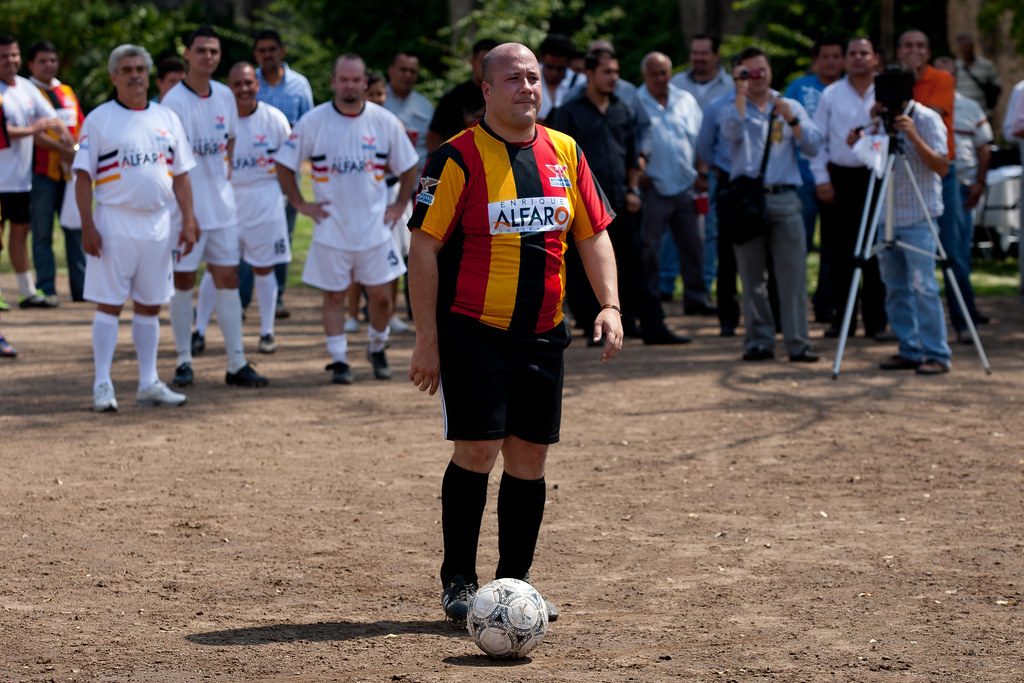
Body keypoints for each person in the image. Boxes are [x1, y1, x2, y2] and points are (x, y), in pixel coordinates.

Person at [406, 42, 623, 623]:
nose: (527, 87)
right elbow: (423, 249)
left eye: (532, 78)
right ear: (485, 90)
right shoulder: (455, 158)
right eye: (512, 79)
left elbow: (592, 234)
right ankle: (458, 580)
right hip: (474, 331)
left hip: (544, 333)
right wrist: (426, 339)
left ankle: (514, 585)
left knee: (529, 459)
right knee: (477, 450)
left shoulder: (566, 151)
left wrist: (610, 304)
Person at [275, 53, 418, 384]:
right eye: (344, 79)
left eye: (357, 80)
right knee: (334, 296)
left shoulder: (384, 121)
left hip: (376, 227)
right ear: (334, 82)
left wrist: (398, 205)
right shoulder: (314, 121)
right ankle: (339, 359)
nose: (350, 85)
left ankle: (377, 347)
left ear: (365, 82)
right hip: (331, 228)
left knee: (383, 297)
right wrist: (299, 202)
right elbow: (284, 163)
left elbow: (410, 165)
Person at [73, 44, 198, 412]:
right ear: (114, 76)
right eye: (126, 69)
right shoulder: (98, 119)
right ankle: (102, 384)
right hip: (114, 222)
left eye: (140, 68)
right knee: (109, 304)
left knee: (149, 304)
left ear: (148, 73)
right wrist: (87, 224)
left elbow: (182, 174)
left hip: (158, 224)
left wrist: (188, 220)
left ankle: (148, 382)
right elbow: (82, 177)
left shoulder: (166, 117)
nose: (135, 75)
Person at [549, 47, 689, 345]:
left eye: (616, 72)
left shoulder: (621, 108)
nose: (614, 78)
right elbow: (556, 159)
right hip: (584, 207)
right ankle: (594, 329)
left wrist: (633, 188)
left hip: (622, 202)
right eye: (607, 72)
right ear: (589, 74)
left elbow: (629, 156)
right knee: (583, 270)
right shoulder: (568, 112)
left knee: (636, 264)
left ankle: (651, 325)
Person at [162, 26, 268, 388]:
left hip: (222, 208)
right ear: (188, 54)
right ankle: (183, 360)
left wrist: (222, 184)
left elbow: (230, 144)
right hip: (185, 212)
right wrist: (187, 215)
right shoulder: (173, 102)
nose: (208, 56)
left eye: (214, 51)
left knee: (228, 279)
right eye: (202, 50)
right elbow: (172, 163)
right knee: (184, 281)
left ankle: (236, 361)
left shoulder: (225, 95)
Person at [723, 47, 821, 362]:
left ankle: (797, 342)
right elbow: (731, 133)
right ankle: (759, 341)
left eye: (761, 69)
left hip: (786, 197)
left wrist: (792, 118)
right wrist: (739, 93)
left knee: (792, 275)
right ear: (739, 76)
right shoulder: (733, 107)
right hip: (748, 200)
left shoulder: (788, 106)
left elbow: (814, 145)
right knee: (752, 278)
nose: (757, 76)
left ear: (770, 70)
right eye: (748, 72)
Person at [856, 67, 952, 375]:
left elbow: (942, 166)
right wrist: (865, 134)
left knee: (924, 286)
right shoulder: (880, 122)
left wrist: (912, 136)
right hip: (886, 217)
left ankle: (937, 353)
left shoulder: (926, 119)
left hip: (919, 217)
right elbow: (864, 156)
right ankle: (909, 349)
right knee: (895, 287)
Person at [193, 63, 292, 355]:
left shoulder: (274, 119)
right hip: (227, 199)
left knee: (264, 266)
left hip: (265, 199)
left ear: (257, 85)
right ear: (229, 87)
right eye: (237, 84)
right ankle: (198, 330)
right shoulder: (219, 120)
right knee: (217, 268)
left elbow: (289, 161)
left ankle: (267, 331)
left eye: (248, 83)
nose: (244, 89)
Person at [898, 30, 986, 335]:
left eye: (920, 46)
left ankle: (964, 322)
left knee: (950, 250)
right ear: (899, 51)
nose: (914, 51)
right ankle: (909, 331)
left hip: (937, 168)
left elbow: (927, 115)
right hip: (902, 169)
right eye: (908, 46)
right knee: (896, 251)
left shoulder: (942, 79)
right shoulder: (893, 79)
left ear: (928, 51)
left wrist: (900, 102)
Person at [811, 37, 890, 340]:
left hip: (876, 177)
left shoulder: (886, 92)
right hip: (840, 180)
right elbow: (817, 142)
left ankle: (876, 321)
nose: (858, 58)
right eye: (852, 54)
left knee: (875, 251)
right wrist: (822, 179)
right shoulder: (831, 94)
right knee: (839, 252)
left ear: (875, 58)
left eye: (864, 53)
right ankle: (842, 320)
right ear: (845, 59)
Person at [637, 51, 713, 314]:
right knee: (650, 249)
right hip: (652, 187)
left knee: (694, 246)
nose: (660, 78)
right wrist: (637, 174)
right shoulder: (635, 101)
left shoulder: (686, 100)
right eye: (654, 73)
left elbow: (701, 141)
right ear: (644, 76)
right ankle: (650, 302)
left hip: (686, 186)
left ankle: (697, 300)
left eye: (664, 72)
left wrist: (702, 173)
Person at [0, 34, 70, 310]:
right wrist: (34, 129)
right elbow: (5, 132)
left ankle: (27, 292)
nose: (10, 60)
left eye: (14, 55)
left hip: (19, 180)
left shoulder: (26, 87)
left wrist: (65, 138)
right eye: (4, 56)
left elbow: (50, 116)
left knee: (21, 233)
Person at [252, 28, 315, 320]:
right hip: (252, 174)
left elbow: (309, 129)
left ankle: (275, 298)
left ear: (282, 52)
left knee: (283, 236)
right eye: (262, 50)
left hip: (288, 174)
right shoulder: (248, 82)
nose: (267, 55)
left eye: (272, 50)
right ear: (256, 54)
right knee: (247, 234)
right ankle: (243, 299)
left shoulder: (300, 85)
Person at [784, 34, 844, 323]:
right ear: (815, 60)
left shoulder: (848, 90)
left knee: (833, 247)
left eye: (836, 56)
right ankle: (793, 308)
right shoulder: (799, 87)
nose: (831, 62)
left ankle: (827, 303)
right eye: (825, 56)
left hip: (839, 179)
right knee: (798, 246)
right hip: (801, 179)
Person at [935, 56, 993, 341]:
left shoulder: (969, 107)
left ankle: (964, 321)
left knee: (957, 256)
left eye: (949, 75)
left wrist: (980, 181)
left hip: (960, 188)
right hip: (923, 188)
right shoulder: (921, 103)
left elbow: (985, 147)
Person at [27, 40, 87, 304]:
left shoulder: (66, 91)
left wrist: (75, 152)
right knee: (42, 232)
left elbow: (81, 126)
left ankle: (82, 289)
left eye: (52, 60)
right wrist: (63, 150)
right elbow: (31, 133)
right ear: (31, 64)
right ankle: (46, 289)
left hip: (71, 174)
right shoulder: (25, 92)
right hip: (41, 172)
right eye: (42, 61)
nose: (49, 65)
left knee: (75, 229)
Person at [426, 39, 498, 152]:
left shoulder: (506, 96)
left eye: (492, 64)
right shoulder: (454, 96)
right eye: (483, 62)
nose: (487, 69)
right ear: (472, 63)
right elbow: (433, 138)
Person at [384, 52, 434, 170]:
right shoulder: (374, 101)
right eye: (403, 69)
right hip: (380, 180)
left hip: (417, 182)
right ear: (391, 70)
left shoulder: (426, 106)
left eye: (413, 71)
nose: (408, 75)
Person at [670, 34, 735, 110]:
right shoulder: (676, 83)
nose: (698, 58)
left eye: (704, 53)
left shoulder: (731, 86)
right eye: (695, 53)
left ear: (717, 55)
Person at [537, 33, 582, 123]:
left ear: (569, 63)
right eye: (549, 67)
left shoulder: (580, 82)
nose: (554, 73)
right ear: (542, 59)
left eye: (560, 68)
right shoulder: (527, 78)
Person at [954, 34, 1001, 118]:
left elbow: (997, 87)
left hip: (983, 113)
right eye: (964, 46)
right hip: (962, 114)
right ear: (959, 49)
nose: (967, 49)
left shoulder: (986, 65)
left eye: (970, 46)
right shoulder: (954, 67)